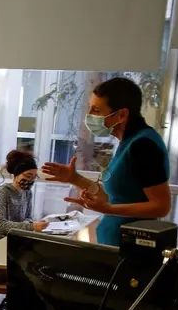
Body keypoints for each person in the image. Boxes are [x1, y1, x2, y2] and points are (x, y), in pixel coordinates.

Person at [42, 77, 171, 246]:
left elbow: (161, 206)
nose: (89, 116)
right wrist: (74, 179)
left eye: (96, 110)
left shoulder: (143, 145)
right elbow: (115, 196)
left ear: (122, 114)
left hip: (131, 246)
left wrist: (107, 209)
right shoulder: (128, 142)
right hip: (113, 242)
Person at [0, 150, 46, 245]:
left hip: (16, 238)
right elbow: (0, 225)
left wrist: (31, 224)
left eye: (34, 177)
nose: (31, 180)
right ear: (17, 174)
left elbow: (28, 217)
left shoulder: (27, 193)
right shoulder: (2, 192)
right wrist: (31, 227)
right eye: (28, 176)